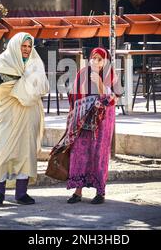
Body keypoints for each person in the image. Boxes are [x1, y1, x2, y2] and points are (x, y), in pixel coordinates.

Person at [0, 32, 49, 205]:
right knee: (5, 150)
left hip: (29, 113)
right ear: (15, 46)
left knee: (26, 152)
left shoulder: (35, 62)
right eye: (23, 46)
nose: (26, 50)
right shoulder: (4, 60)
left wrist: (24, 84)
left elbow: (41, 85)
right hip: (8, 112)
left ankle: (21, 194)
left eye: (29, 46)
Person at [59, 47, 122, 204]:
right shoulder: (82, 73)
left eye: (100, 59)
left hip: (102, 122)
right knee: (79, 152)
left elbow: (113, 99)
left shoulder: (111, 75)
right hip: (83, 120)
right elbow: (73, 95)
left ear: (105, 61)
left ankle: (100, 192)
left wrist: (100, 84)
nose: (96, 62)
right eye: (93, 58)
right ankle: (77, 191)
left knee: (98, 154)